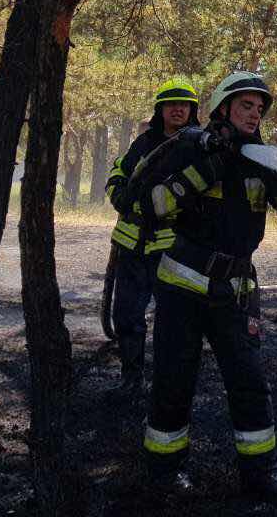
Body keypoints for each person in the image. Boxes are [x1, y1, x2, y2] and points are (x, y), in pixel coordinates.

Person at [131, 71, 277, 507]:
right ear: (224, 108)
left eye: (260, 108)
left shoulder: (259, 155)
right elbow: (146, 203)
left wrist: (276, 171)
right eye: (246, 106)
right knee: (174, 382)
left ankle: (260, 475)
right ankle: (164, 473)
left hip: (235, 290)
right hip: (181, 286)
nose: (255, 114)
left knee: (248, 383)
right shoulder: (187, 145)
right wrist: (202, 171)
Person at [106, 78, 200, 395]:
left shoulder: (196, 146)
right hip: (132, 247)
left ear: (192, 110)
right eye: (172, 104)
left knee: (172, 323)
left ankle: (167, 385)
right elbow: (120, 170)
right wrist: (119, 192)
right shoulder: (143, 144)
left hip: (171, 250)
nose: (178, 109)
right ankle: (131, 379)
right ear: (160, 109)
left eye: (184, 104)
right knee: (127, 316)